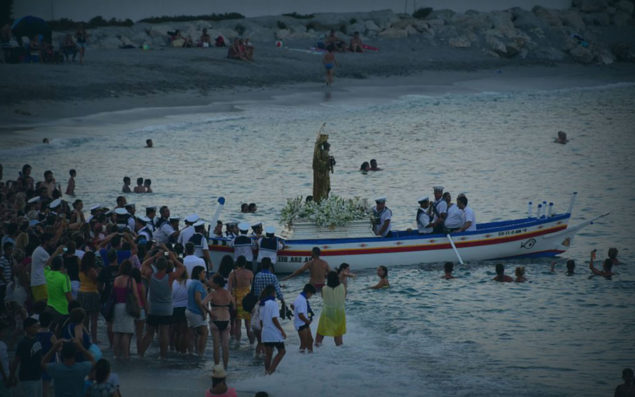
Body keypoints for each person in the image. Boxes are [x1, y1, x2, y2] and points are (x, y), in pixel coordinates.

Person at [140, 248, 184, 359]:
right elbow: (182, 268)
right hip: (166, 309)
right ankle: (163, 355)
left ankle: (140, 354)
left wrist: (154, 257)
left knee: (149, 333)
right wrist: (173, 258)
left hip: (153, 308)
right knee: (164, 333)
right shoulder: (170, 277)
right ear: (166, 267)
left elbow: (144, 264)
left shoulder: (151, 275)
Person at [111, 260, 140, 359]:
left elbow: (113, 293)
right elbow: (136, 296)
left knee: (117, 332)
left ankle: (116, 354)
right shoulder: (131, 280)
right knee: (126, 333)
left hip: (117, 306)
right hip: (127, 307)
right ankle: (126, 355)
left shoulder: (116, 279)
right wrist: (139, 307)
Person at [205, 274, 234, 369]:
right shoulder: (228, 293)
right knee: (225, 346)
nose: (210, 282)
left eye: (212, 281)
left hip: (215, 320)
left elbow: (202, 303)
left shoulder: (212, 293)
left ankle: (217, 367)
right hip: (226, 320)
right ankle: (225, 368)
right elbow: (234, 306)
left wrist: (209, 312)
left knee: (216, 346)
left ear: (216, 284)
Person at [9, 318, 43, 396]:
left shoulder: (37, 340)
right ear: (27, 328)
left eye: (37, 327)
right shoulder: (23, 343)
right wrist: (12, 375)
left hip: (38, 376)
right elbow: (16, 360)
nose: (36, 329)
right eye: (34, 327)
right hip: (28, 377)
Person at [259, 285, 286, 375]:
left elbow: (261, 321)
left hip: (265, 332)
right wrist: (282, 330)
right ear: (273, 293)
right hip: (273, 332)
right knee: (282, 351)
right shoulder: (273, 303)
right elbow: (274, 319)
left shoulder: (262, 303)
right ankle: (271, 370)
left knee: (268, 355)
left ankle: (267, 372)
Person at [315, 271, 346, 347]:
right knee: (338, 334)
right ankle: (340, 353)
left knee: (321, 332)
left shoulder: (324, 288)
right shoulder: (343, 286)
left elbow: (323, 297)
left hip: (327, 312)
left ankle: (316, 350)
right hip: (340, 313)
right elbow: (344, 296)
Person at [229, 256, 254, 346]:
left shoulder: (233, 274)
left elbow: (229, 290)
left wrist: (232, 303)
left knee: (238, 324)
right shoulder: (250, 273)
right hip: (247, 300)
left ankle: (237, 343)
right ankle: (252, 344)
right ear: (245, 263)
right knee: (248, 324)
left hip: (237, 300)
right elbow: (253, 288)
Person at [32, 233, 64, 304]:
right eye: (52, 241)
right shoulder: (41, 251)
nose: (53, 243)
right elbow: (50, 263)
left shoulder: (39, 250)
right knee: (44, 305)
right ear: (46, 241)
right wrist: (57, 252)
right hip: (40, 283)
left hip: (39, 282)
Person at [186, 266, 210, 356]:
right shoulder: (198, 284)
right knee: (204, 332)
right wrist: (203, 311)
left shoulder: (192, 283)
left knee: (193, 334)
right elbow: (197, 299)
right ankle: (200, 354)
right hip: (196, 312)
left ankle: (191, 352)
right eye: (203, 272)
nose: (205, 274)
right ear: (198, 274)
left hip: (189, 310)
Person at [293, 284, 316, 353]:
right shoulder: (301, 300)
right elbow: (300, 315)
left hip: (304, 323)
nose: (310, 296)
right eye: (311, 294)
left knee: (310, 340)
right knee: (304, 343)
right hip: (301, 324)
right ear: (308, 292)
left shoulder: (301, 298)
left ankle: (310, 355)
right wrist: (307, 321)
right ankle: (301, 359)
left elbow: (296, 308)